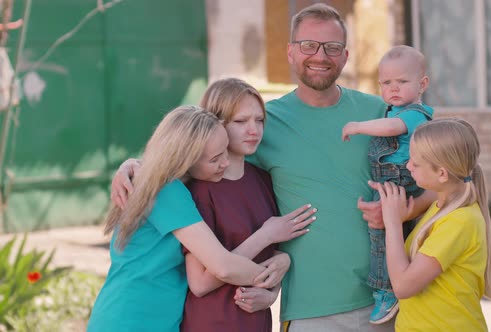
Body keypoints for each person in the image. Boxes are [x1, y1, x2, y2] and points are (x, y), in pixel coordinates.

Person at [110, 3, 436, 331]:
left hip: (383, 301)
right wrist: (138, 165)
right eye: (308, 45)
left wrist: (404, 211)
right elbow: (195, 147)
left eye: (332, 47)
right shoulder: (264, 125)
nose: (320, 55)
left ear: (346, 55)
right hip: (310, 311)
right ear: (290, 53)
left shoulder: (382, 114)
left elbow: (442, 179)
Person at [87, 107, 283, 332]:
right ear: (185, 159)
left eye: (226, 152)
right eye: (215, 158)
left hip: (137, 317)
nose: (226, 163)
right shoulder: (169, 191)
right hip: (134, 320)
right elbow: (223, 266)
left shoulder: (153, 182)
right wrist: (274, 278)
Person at [181, 78, 316, 332]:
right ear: (216, 124)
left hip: (255, 321)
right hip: (213, 322)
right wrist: (266, 235)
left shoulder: (263, 179)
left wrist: (273, 288)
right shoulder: (200, 189)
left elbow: (266, 257)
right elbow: (199, 282)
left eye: (259, 120)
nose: (253, 130)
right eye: (241, 121)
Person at [371, 118, 491, 331]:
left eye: (415, 162)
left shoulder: (460, 220)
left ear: (442, 173)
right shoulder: (442, 205)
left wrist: (393, 223)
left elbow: (404, 286)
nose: (408, 166)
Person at [341, 45, 434, 324]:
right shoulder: (392, 110)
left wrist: (358, 126)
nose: (393, 89)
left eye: (402, 82)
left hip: (400, 180)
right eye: (386, 83)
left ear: (422, 84)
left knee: (384, 238)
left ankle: (387, 290)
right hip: (387, 181)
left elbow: (392, 130)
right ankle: (390, 285)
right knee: (380, 236)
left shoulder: (416, 113)